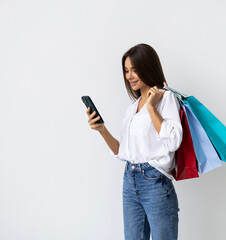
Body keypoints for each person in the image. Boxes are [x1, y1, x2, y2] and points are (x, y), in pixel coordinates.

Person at [85, 43, 182, 240]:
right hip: (130, 180)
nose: (129, 76)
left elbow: (173, 142)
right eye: (126, 70)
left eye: (135, 70)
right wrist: (102, 130)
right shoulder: (132, 108)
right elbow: (124, 152)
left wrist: (152, 108)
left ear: (148, 67)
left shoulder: (166, 98)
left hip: (155, 181)